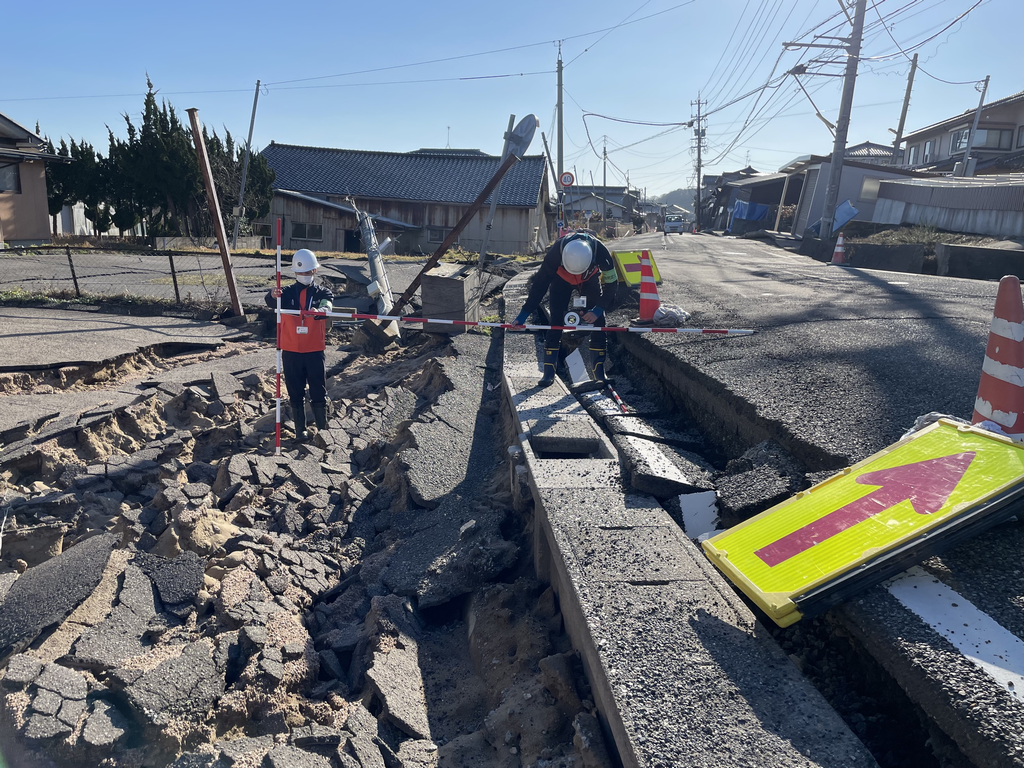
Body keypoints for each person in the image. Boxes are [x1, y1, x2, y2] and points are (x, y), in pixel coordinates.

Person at [512, 231, 618, 387]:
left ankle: (599, 372)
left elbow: (612, 285)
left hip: (590, 280)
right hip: (561, 280)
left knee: (599, 322)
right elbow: (539, 286)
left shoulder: (601, 252)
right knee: (556, 321)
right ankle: (548, 373)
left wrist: (597, 309)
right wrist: (523, 314)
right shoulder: (554, 254)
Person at [266, 249, 334, 440]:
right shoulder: (286, 293)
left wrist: (319, 309)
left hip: (314, 349)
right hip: (291, 349)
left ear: (314, 271)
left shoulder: (322, 292)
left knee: (318, 389)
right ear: (296, 272)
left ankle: (323, 429)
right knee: (295, 390)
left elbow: (328, 306)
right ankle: (300, 430)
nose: (305, 275)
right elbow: (270, 302)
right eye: (302, 272)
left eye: (309, 272)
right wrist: (272, 294)